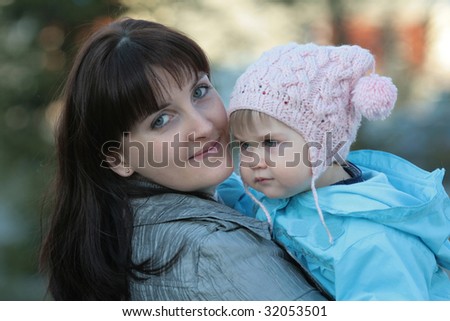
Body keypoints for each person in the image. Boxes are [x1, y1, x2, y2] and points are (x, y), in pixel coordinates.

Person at [39, 18, 328, 301]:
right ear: (118, 158)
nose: (203, 127)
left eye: (199, 91)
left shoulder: (121, 229)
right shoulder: (213, 250)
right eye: (162, 120)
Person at [224, 42, 450, 300]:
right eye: (244, 145)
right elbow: (237, 200)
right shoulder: (286, 191)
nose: (253, 160)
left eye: (270, 143)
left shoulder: (370, 242)